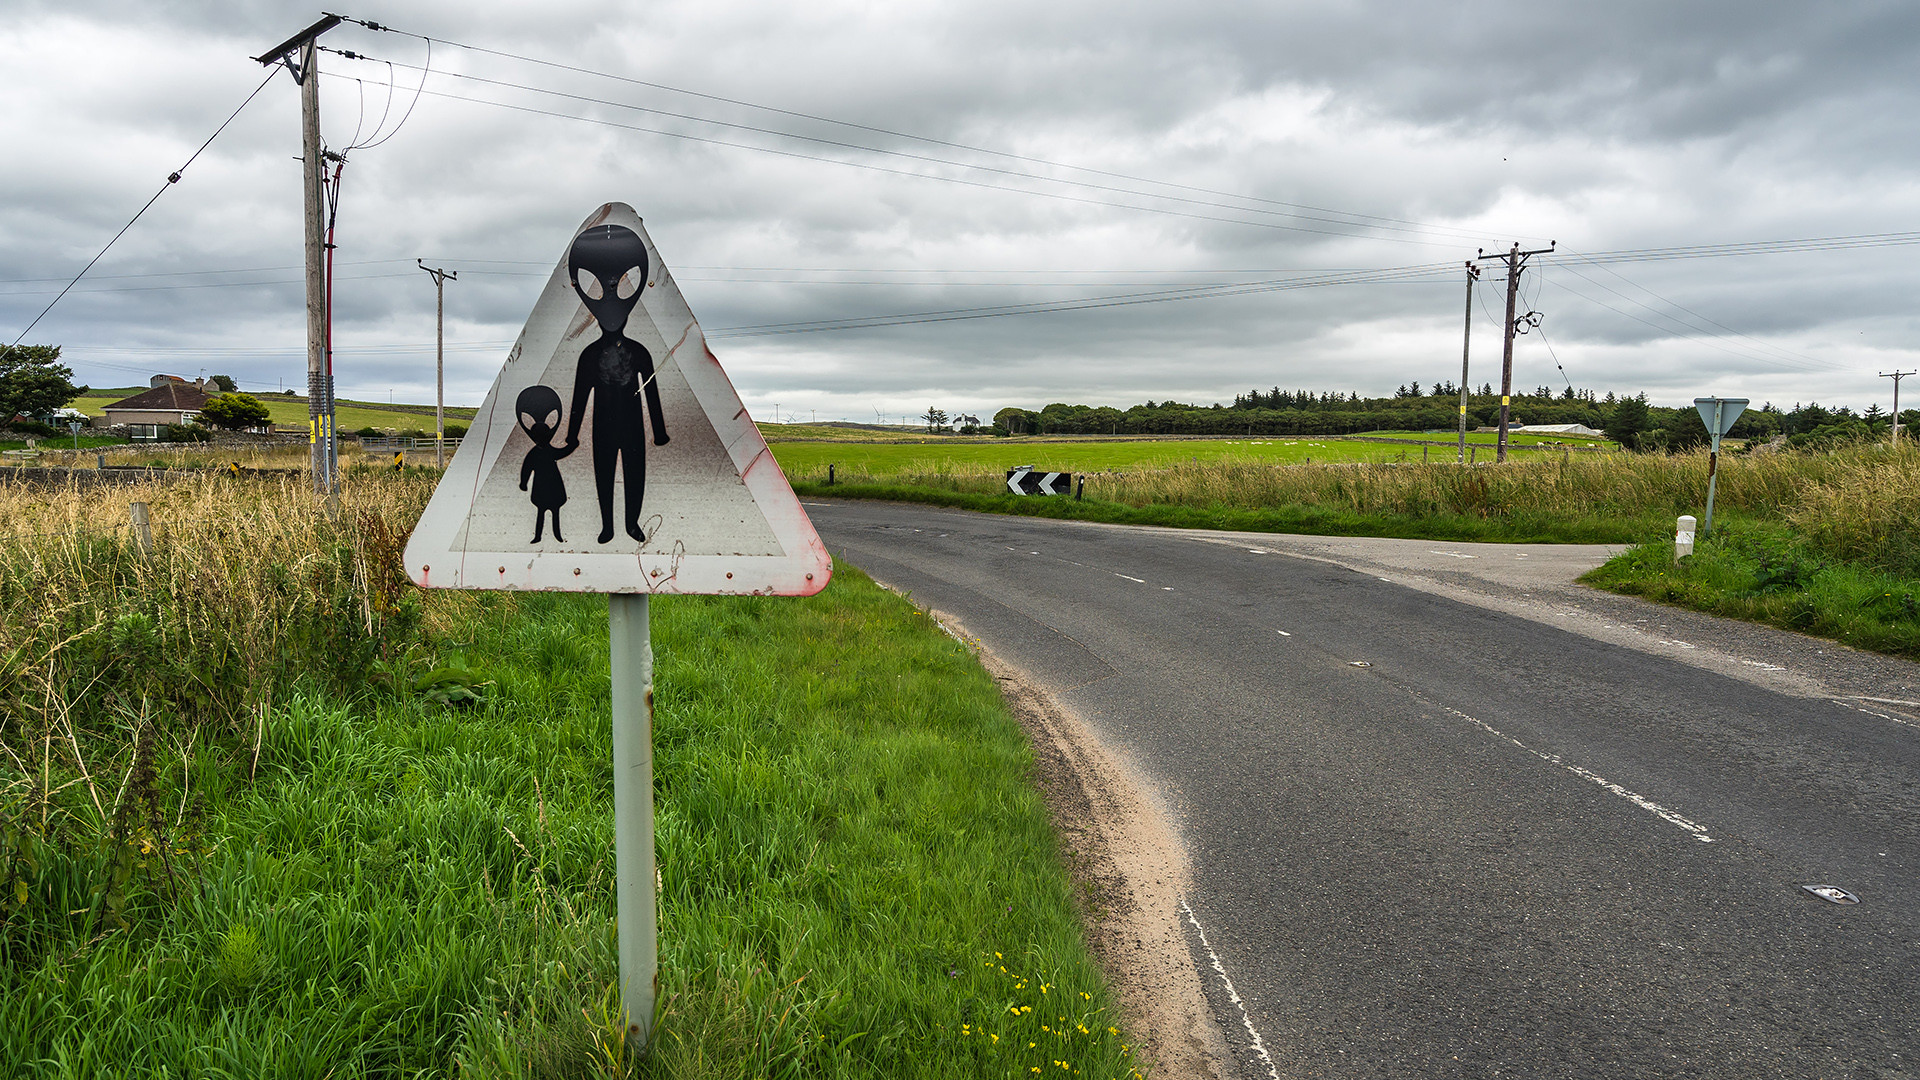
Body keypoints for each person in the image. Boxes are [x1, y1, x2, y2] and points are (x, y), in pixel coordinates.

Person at [563, 223, 669, 543]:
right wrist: (571, 436)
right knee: (604, 475)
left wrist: (660, 432)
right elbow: (580, 398)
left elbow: (652, 393)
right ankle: (608, 526)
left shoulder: (639, 352)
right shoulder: (588, 356)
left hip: (633, 425)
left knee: (635, 475)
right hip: (603, 428)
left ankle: (631, 524)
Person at [516, 384, 575, 543]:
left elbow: (528, 467)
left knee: (549, 512)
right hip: (547, 486)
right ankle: (541, 536)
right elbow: (527, 468)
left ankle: (554, 535)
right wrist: (523, 482)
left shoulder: (539, 452)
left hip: (546, 486)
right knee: (546, 512)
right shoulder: (539, 452)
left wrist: (524, 482)